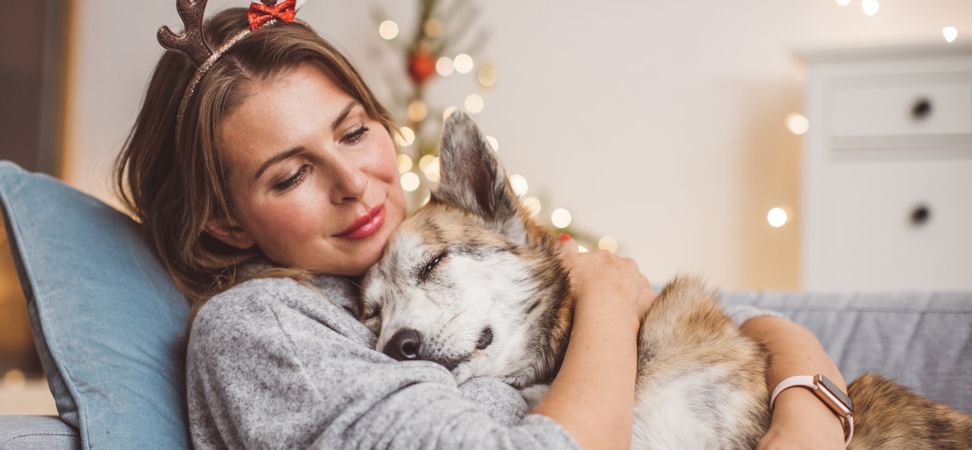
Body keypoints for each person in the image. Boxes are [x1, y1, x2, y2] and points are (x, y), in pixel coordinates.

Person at [115, 2, 850, 449]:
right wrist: (604, 299)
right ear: (225, 225)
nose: (351, 182)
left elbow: (751, 329)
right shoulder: (263, 328)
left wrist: (812, 420)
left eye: (352, 131)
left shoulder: (433, 248)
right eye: (291, 174)